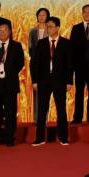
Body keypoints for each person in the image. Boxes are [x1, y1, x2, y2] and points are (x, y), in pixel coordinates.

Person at [31, 16, 71, 146]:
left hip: (60, 81)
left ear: (58, 28)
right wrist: (35, 81)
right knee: (42, 110)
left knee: (61, 109)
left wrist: (69, 81)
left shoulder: (66, 43)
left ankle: (63, 137)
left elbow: (69, 64)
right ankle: (40, 138)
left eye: (51, 26)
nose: (48, 29)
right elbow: (35, 63)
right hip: (43, 81)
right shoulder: (41, 43)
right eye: (47, 27)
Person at [0, 22, 25, 147]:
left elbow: (20, 63)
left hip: (10, 84)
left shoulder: (16, 46)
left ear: (9, 32)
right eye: (0, 31)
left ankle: (9, 138)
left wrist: (9, 71)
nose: (2, 33)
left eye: (4, 30)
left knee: (10, 113)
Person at [69, 4, 89, 124]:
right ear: (82, 13)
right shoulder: (76, 28)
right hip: (79, 67)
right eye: (85, 12)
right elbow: (72, 48)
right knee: (79, 92)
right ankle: (77, 117)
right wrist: (72, 66)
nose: (87, 14)